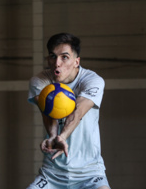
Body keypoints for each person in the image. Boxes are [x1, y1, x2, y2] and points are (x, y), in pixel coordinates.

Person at [27, 33, 111, 189]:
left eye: (64, 57)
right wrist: (53, 136)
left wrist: (63, 136)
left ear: (76, 61)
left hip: (90, 173)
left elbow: (77, 111)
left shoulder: (93, 81)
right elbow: (48, 112)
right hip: (52, 173)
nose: (57, 63)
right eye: (53, 56)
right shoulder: (39, 81)